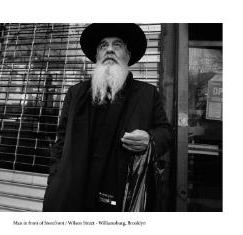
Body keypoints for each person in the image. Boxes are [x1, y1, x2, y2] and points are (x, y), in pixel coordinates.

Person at [43, 23, 173, 212]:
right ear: (97, 56)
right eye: (103, 46)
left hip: (121, 193)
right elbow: (60, 142)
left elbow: (166, 132)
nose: (109, 49)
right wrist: (54, 179)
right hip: (73, 192)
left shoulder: (148, 94)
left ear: (128, 56)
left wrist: (150, 139)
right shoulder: (75, 93)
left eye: (117, 45)